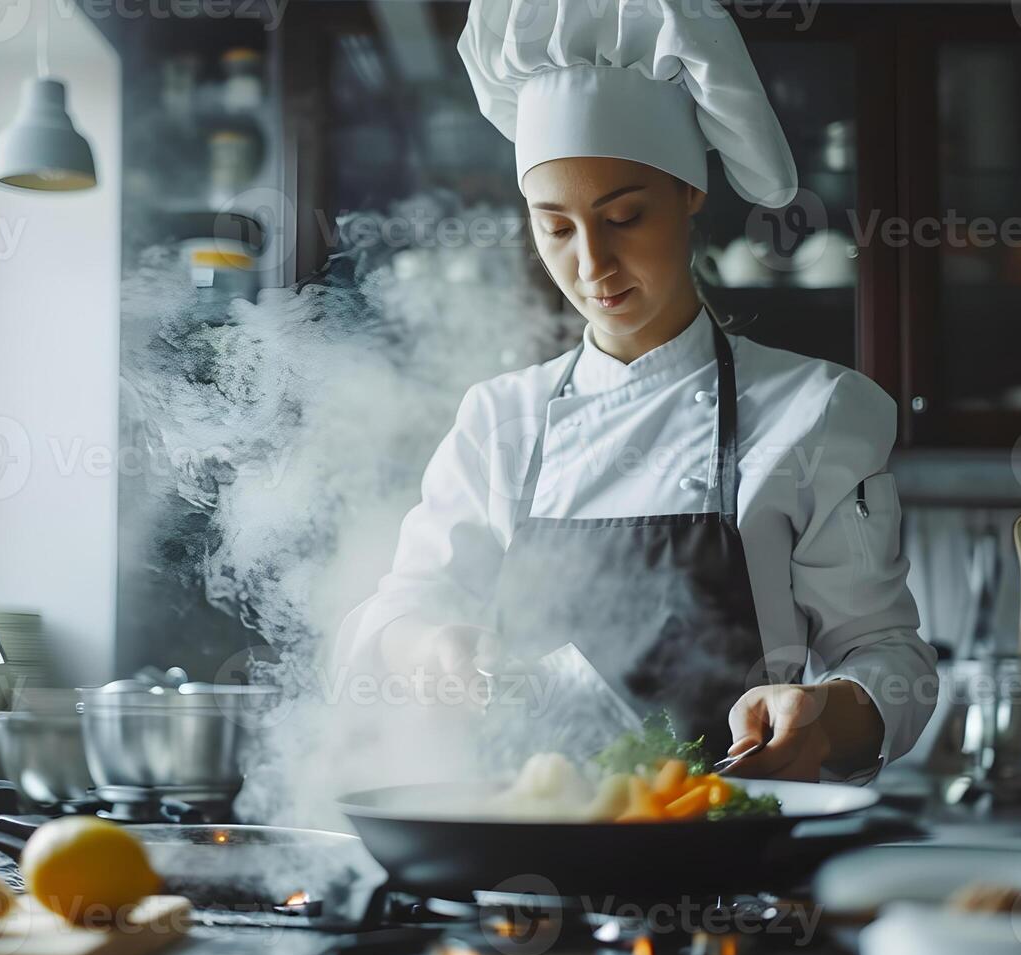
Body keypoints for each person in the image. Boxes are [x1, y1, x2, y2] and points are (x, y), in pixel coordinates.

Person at [335, 0, 935, 783]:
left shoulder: (813, 411)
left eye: (624, 216)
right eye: (555, 226)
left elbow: (890, 658)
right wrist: (425, 645)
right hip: (526, 858)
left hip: (731, 859)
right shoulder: (500, 420)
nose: (591, 263)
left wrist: (826, 716)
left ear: (690, 196)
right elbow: (390, 614)